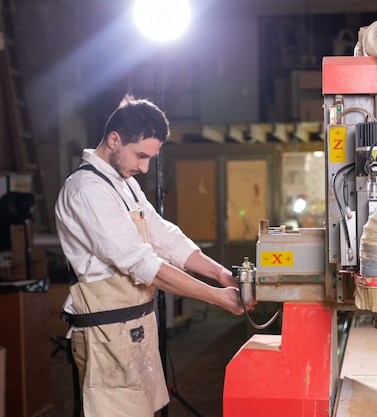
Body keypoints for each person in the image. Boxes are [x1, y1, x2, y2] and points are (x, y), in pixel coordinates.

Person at [55, 94, 250, 417]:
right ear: (114, 139)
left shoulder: (124, 182)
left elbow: (164, 236)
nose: (145, 168)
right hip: (106, 337)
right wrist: (218, 298)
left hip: (135, 328)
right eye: (141, 156)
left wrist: (220, 274)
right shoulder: (87, 190)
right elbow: (144, 265)